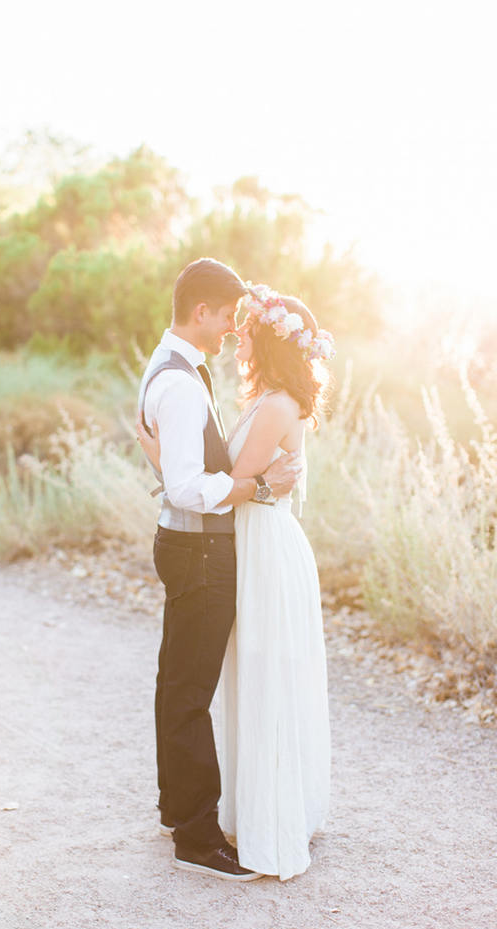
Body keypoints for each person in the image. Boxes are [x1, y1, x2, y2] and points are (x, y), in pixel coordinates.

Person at [139, 280, 334, 882]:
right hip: (230, 543)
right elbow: (215, 480)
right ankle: (200, 819)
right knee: (202, 682)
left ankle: (247, 817)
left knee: (249, 677)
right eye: (231, 320)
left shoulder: (274, 404)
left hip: (260, 549)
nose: (236, 332)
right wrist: (172, 463)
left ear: (270, 341)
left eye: (247, 327)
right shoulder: (221, 387)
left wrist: (163, 459)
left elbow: (227, 479)